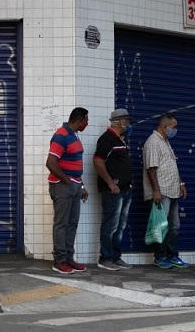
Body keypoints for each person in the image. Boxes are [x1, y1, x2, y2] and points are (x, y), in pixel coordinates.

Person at [46, 107, 90, 274]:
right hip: (63, 185)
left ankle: (69, 259)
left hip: (75, 185)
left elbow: (75, 163)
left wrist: (81, 185)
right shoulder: (61, 136)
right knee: (61, 224)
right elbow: (50, 163)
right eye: (86, 120)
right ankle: (59, 260)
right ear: (78, 121)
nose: (87, 123)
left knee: (72, 224)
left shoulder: (74, 135)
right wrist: (67, 181)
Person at [143, 112, 189, 269]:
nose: (175, 130)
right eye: (173, 127)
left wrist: (181, 183)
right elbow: (151, 169)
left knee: (174, 226)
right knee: (160, 226)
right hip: (161, 192)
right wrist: (156, 191)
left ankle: (172, 256)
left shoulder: (165, 141)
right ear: (165, 126)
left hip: (172, 190)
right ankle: (160, 256)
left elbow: (172, 166)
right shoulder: (153, 142)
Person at [93, 108, 134, 271]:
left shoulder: (121, 140)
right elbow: (97, 160)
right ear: (120, 122)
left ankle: (116, 257)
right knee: (110, 225)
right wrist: (111, 183)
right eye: (127, 121)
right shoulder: (107, 139)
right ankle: (105, 258)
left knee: (120, 226)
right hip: (113, 191)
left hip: (125, 189)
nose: (129, 125)